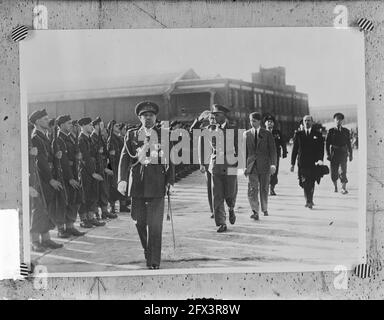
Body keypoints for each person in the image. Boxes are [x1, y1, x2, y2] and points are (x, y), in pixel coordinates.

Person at [117, 101, 175, 269]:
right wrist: (122, 179)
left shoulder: (164, 134)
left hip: (157, 184)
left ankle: (154, 260)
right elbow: (124, 158)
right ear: (140, 118)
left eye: (151, 115)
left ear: (156, 118)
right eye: (145, 115)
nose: (148, 118)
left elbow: (170, 160)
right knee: (139, 222)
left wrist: (170, 182)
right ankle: (147, 251)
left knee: (155, 225)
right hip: (138, 184)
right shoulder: (131, 135)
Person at [29, 109, 63, 250]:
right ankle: (35, 241)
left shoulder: (45, 135)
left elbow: (47, 157)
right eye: (44, 119)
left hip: (47, 175)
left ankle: (46, 238)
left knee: (46, 208)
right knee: (39, 208)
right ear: (37, 121)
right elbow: (40, 161)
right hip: (41, 178)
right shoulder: (36, 136)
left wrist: (56, 156)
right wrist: (50, 180)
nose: (47, 121)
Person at [206, 104, 238, 232]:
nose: (215, 117)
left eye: (218, 115)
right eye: (214, 115)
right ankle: (221, 222)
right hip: (216, 165)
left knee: (230, 192)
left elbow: (239, 148)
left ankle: (231, 208)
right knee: (217, 195)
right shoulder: (211, 130)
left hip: (230, 164)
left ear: (224, 116)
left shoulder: (233, 130)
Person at [244, 112, 277, 220]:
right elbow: (244, 152)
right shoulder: (246, 134)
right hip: (251, 166)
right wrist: (244, 167)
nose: (252, 123)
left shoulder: (267, 134)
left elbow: (272, 151)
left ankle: (264, 208)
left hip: (265, 165)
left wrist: (273, 165)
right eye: (250, 121)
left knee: (264, 188)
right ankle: (255, 211)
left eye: (254, 121)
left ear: (259, 121)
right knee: (253, 189)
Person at [56, 115, 85, 237]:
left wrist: (78, 155)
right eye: (68, 123)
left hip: (74, 172)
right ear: (61, 125)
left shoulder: (71, 138)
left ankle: (70, 226)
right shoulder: (58, 139)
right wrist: (69, 178)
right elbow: (62, 162)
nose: (71, 126)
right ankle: (61, 229)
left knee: (74, 200)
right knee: (63, 202)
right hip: (64, 175)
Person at [291, 115, 325, 209]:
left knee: (312, 181)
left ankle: (309, 200)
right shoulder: (298, 134)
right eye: (305, 120)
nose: (307, 122)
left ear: (312, 122)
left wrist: (320, 160)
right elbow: (295, 150)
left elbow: (321, 149)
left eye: (309, 120)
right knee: (305, 182)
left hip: (314, 163)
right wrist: (292, 163)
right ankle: (308, 200)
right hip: (302, 163)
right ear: (303, 122)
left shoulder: (317, 134)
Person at [77, 117, 106, 227]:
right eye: (89, 125)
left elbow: (94, 155)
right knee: (85, 195)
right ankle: (84, 219)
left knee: (93, 194)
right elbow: (85, 158)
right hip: (85, 171)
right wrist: (93, 173)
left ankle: (91, 217)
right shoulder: (81, 139)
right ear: (83, 126)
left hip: (93, 170)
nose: (91, 126)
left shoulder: (89, 139)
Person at [90, 117, 116, 220]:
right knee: (96, 191)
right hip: (97, 168)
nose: (103, 127)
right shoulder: (92, 138)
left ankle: (104, 212)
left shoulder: (101, 138)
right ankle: (96, 213)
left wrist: (108, 168)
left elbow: (107, 155)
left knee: (104, 190)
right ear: (95, 126)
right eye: (101, 125)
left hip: (103, 166)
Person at [326, 113, 353, 194]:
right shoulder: (331, 131)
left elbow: (349, 143)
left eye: (340, 119)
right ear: (334, 120)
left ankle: (343, 188)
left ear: (342, 121)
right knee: (333, 173)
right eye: (337, 119)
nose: (338, 121)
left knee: (343, 171)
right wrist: (328, 154)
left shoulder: (346, 131)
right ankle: (335, 186)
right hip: (334, 154)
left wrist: (351, 154)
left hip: (343, 153)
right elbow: (327, 144)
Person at [197, 111, 215, 218]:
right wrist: (201, 163)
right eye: (211, 118)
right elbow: (200, 148)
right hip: (208, 163)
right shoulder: (204, 131)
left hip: (221, 162)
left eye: (214, 118)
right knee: (210, 187)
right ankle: (212, 209)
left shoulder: (221, 131)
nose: (213, 120)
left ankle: (220, 208)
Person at [264, 114, 287, 196]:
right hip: (264, 156)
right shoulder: (262, 132)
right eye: (268, 122)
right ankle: (265, 188)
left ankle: (272, 188)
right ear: (265, 123)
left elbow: (283, 143)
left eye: (271, 122)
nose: (270, 123)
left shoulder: (277, 133)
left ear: (273, 124)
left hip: (275, 155)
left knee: (274, 171)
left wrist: (284, 152)